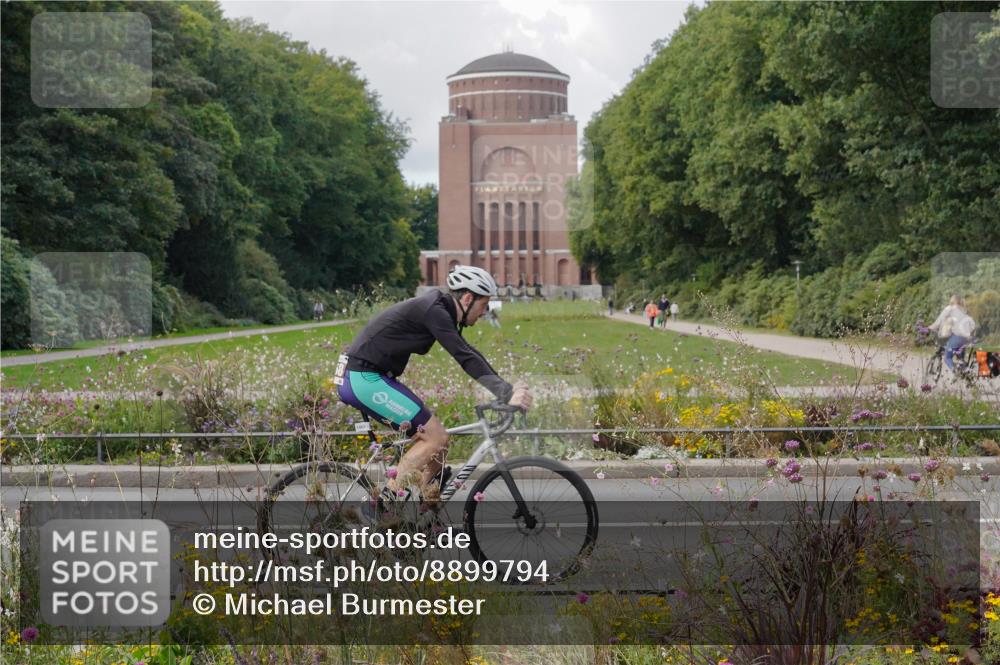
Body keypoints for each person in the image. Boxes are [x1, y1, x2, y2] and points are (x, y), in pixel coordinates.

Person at [336, 265, 532, 506]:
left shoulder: (440, 310)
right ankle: (381, 508)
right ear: (468, 298)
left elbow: (469, 352)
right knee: (434, 438)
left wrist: (507, 389)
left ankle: (421, 514)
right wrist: (506, 392)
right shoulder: (435, 310)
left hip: (371, 376)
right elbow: (464, 357)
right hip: (363, 378)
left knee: (440, 444)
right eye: (484, 304)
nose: (485, 311)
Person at [928, 295, 977, 372]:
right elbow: (973, 325)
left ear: (952, 301)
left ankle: (956, 371)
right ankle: (965, 372)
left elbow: (939, 321)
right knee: (960, 359)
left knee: (947, 357)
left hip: (958, 337)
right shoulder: (964, 310)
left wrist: (930, 328)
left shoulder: (950, 308)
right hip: (967, 339)